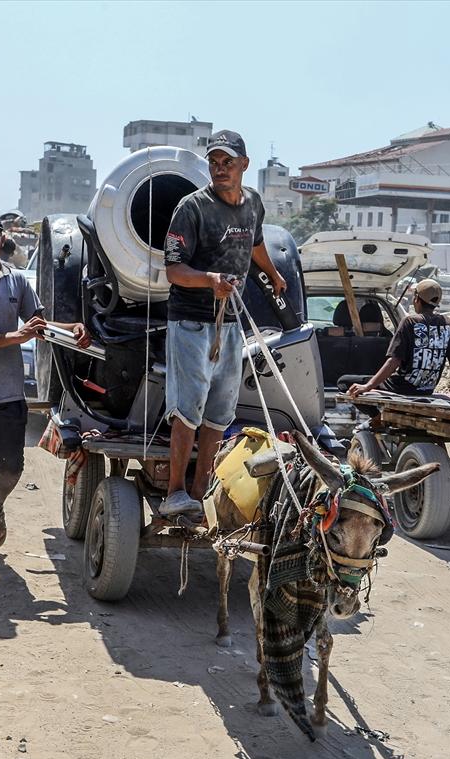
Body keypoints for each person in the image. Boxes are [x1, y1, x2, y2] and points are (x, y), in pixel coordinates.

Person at [0, 210, 90, 578]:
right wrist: (12, 337)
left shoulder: (16, 281)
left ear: (2, 238)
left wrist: (71, 328)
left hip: (7, 390)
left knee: (10, 466)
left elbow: (38, 324)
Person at [159, 130, 287, 519]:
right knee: (188, 408)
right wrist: (209, 280)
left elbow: (255, 243)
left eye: (227, 162)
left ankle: (199, 494)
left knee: (219, 411)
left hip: (231, 325)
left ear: (244, 165)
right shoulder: (192, 208)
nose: (219, 169)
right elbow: (173, 270)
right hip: (192, 323)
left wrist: (274, 274)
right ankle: (175, 492)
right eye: (214, 163)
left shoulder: (254, 205)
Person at [348, 279, 450, 401]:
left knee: (344, 381)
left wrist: (368, 387)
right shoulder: (448, 324)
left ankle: (377, 418)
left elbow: (394, 361)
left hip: (401, 387)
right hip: (427, 389)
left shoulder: (410, 322)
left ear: (416, 299)